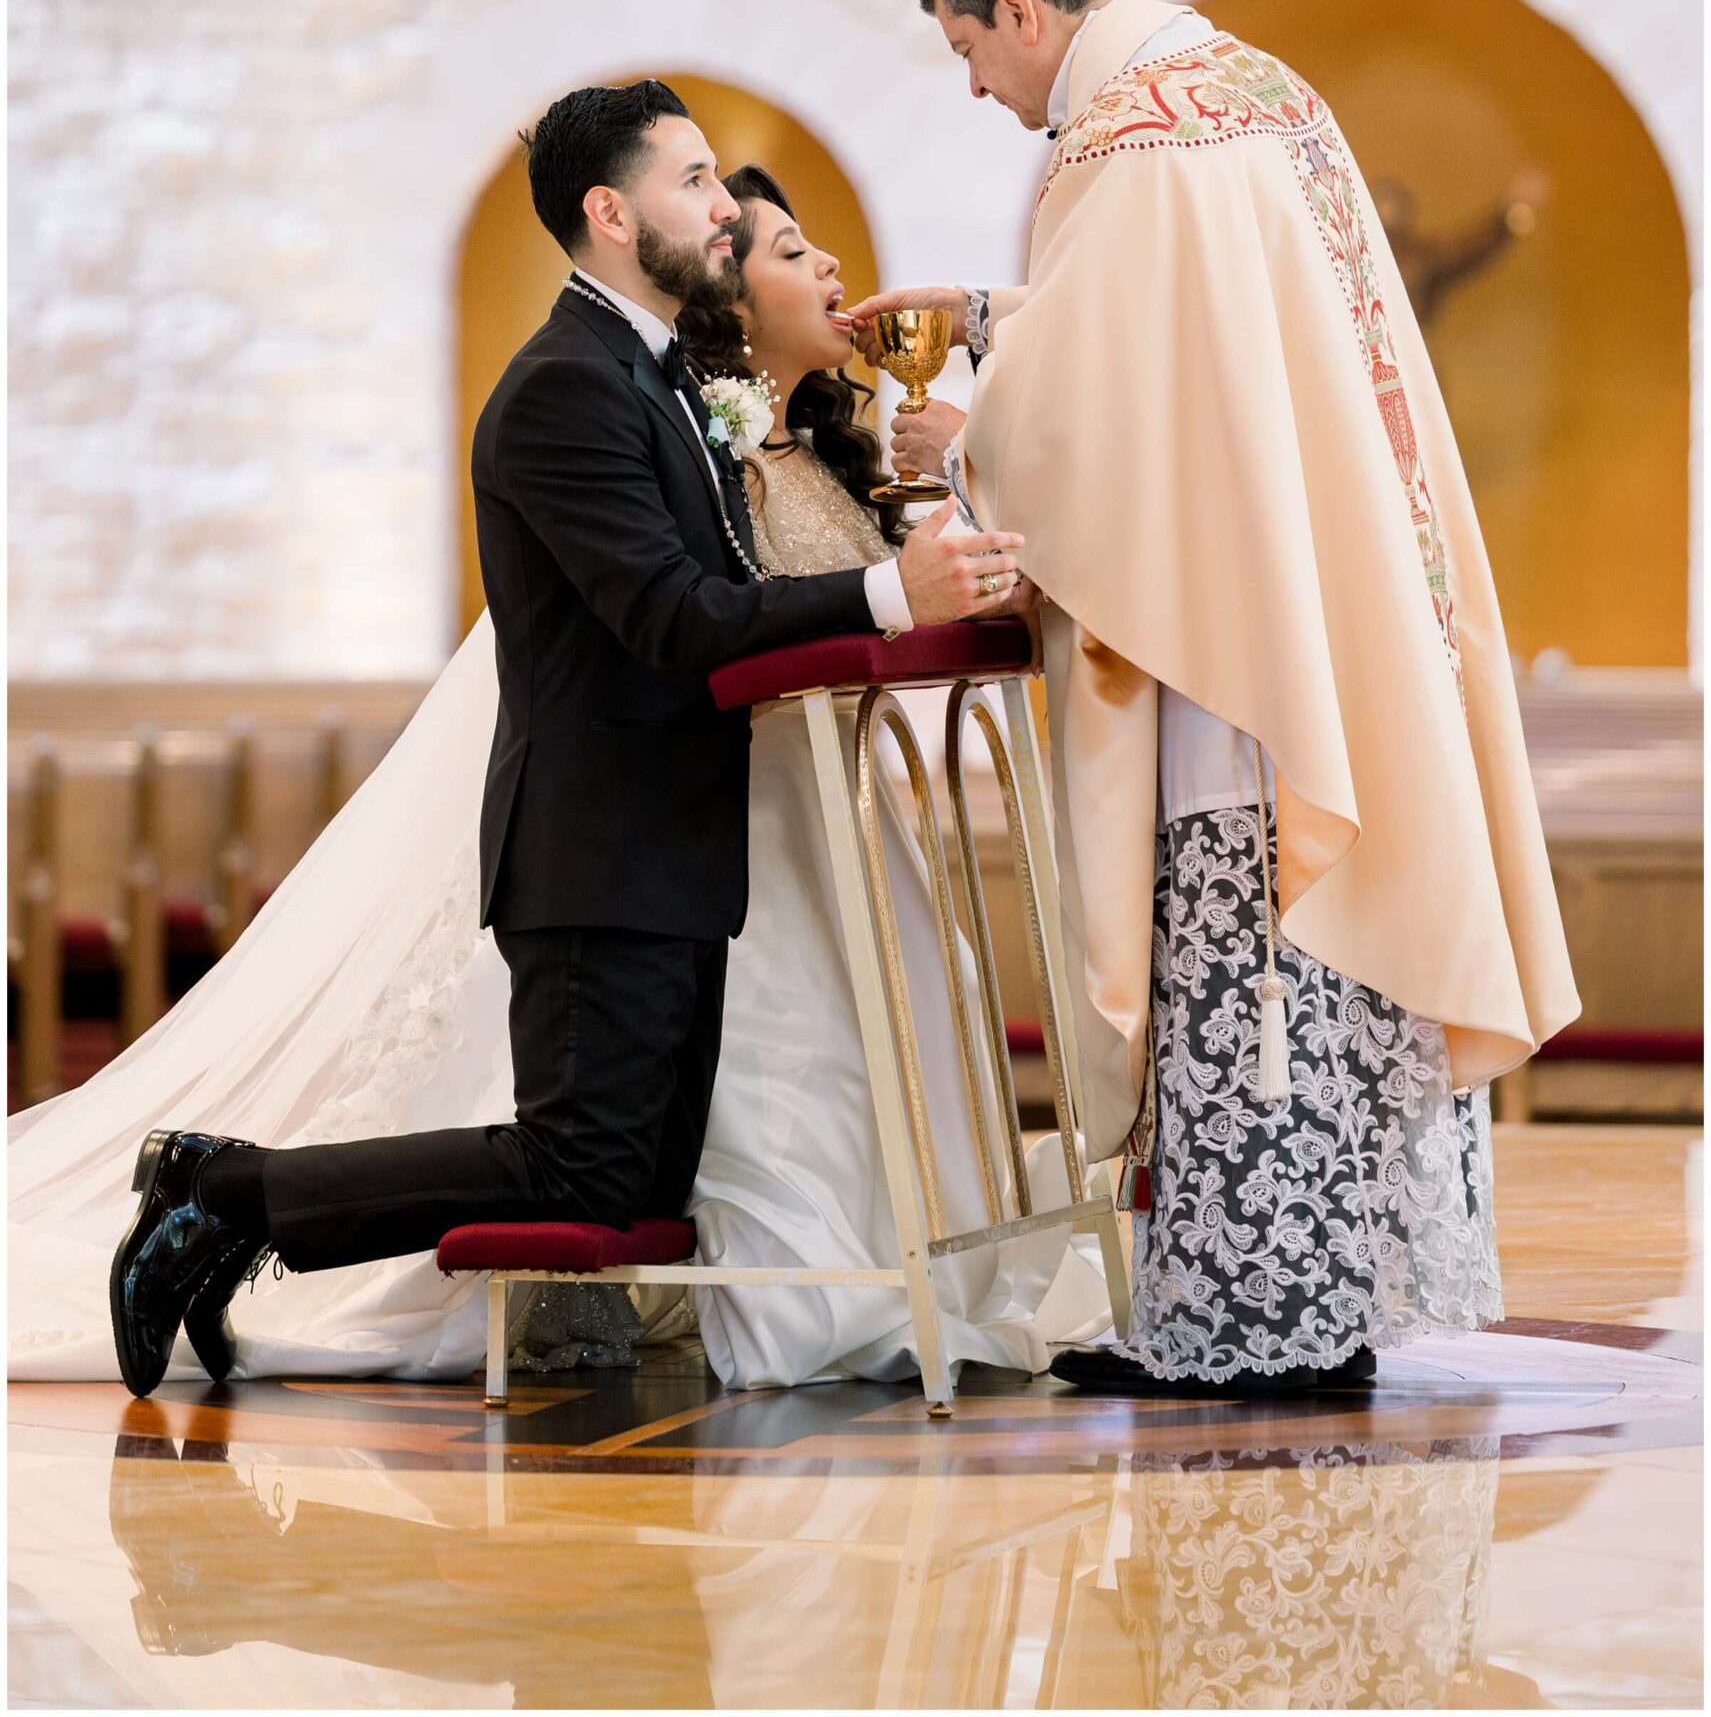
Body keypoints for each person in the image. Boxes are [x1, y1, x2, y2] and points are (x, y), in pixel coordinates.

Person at [13, 126, 1100, 1393]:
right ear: (612, 213)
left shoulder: (653, 382)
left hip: (680, 848)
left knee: (628, 1183)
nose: (721, 209)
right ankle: (223, 1193)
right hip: (600, 847)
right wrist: (882, 589)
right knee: (582, 1167)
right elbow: (672, 617)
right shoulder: (563, 387)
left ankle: (224, 1190)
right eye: (692, 183)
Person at [850, 0, 1580, 1398]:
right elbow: (1186, 352)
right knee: (1296, 988)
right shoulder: (1241, 93)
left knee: (1245, 981)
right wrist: (996, 314)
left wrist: (962, 431)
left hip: (1230, 661)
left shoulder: (1122, 142)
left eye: (964, 47)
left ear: (1022, 11)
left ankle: (1255, 1331)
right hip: (1317, 602)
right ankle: (1306, 1306)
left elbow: (1106, 419)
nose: (972, 87)